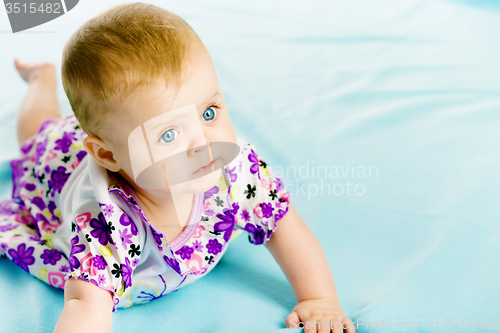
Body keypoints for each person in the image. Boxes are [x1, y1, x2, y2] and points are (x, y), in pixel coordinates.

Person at [0, 3, 355, 333]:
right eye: (168, 134)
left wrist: (319, 298)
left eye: (209, 112)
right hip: (60, 161)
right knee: (37, 130)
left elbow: (284, 225)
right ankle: (41, 81)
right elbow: (86, 304)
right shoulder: (105, 224)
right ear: (108, 156)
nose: (202, 144)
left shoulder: (235, 173)